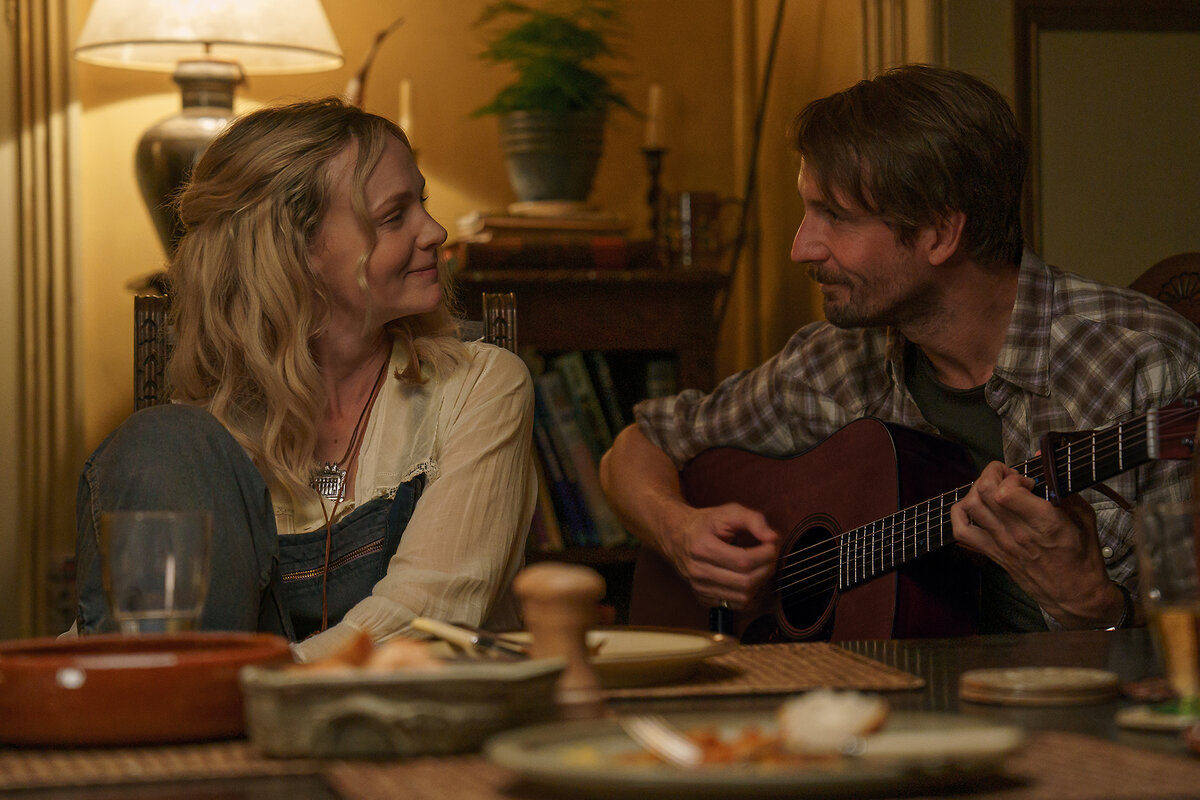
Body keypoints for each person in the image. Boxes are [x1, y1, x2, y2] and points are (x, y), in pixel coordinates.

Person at [599, 64, 1200, 635]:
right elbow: (636, 447)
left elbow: (1184, 653)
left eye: (834, 215)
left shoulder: (1145, 365)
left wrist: (1094, 607)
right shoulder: (830, 363)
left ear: (940, 233)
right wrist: (680, 532)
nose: (801, 248)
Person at [73, 97, 537, 661]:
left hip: (409, 717)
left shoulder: (480, 386)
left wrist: (247, 684)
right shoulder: (200, 441)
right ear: (298, 251)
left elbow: (427, 612)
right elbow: (131, 626)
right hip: (234, 734)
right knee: (162, 437)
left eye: (423, 203)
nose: (436, 231)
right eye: (395, 216)